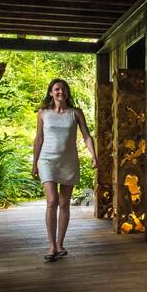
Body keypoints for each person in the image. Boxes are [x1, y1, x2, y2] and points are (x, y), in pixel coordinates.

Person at [31, 78, 97, 262]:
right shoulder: (43, 113)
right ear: (51, 92)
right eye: (57, 89)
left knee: (64, 203)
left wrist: (93, 154)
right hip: (47, 160)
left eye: (63, 89)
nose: (61, 92)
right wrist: (34, 162)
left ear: (67, 93)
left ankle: (60, 243)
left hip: (69, 161)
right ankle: (51, 245)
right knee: (52, 201)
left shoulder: (75, 113)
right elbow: (39, 138)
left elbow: (86, 135)